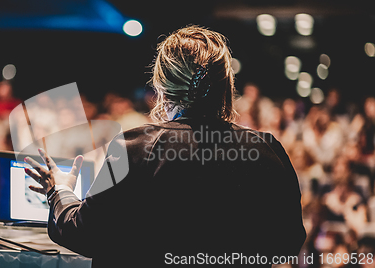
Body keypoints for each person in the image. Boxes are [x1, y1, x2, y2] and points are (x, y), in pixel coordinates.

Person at [25, 25, 306, 267]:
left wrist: (59, 190)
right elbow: (288, 243)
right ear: (226, 87)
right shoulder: (268, 150)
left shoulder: (135, 147)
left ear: (161, 87)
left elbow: (83, 233)